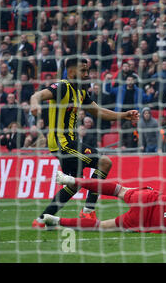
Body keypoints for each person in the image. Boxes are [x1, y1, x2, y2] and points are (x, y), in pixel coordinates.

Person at [29, 57, 139, 228]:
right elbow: (38, 95)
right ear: (71, 71)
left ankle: (42, 219)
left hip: (69, 142)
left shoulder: (80, 91)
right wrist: (34, 104)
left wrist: (124, 115)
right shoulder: (63, 86)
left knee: (74, 183)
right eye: (83, 71)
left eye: (88, 71)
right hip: (63, 143)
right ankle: (87, 211)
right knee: (104, 162)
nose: (87, 74)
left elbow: (98, 111)